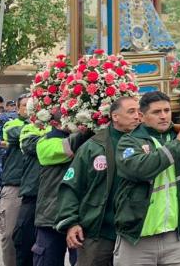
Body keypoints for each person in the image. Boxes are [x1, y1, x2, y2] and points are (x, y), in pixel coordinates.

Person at [113, 91, 180, 265]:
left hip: (175, 237)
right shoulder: (129, 142)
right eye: (156, 112)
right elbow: (142, 170)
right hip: (137, 238)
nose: (163, 116)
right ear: (141, 116)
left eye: (167, 111)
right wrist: (179, 143)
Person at [54, 96, 141, 266]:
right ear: (115, 116)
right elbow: (72, 186)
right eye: (131, 112)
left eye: (139, 112)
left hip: (134, 235)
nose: (137, 116)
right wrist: (71, 222)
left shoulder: (146, 143)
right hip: (98, 232)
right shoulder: (93, 147)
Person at [34, 115, 94, 266]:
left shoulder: (93, 139)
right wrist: (90, 127)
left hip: (83, 216)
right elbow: (70, 147)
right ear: (57, 123)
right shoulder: (46, 142)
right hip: (51, 216)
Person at [0, 95, 28, 266]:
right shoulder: (12, 124)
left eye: (31, 104)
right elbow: (16, 135)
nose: (28, 107)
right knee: (9, 235)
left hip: (37, 188)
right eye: (24, 105)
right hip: (14, 186)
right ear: (17, 108)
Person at [13, 111, 47, 266]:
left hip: (58, 195)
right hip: (33, 193)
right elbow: (30, 145)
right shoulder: (28, 127)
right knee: (24, 239)